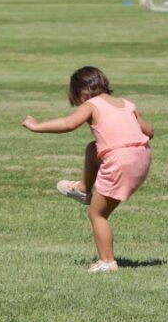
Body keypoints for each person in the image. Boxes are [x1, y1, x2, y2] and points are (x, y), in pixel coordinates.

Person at [21, 67, 153, 273]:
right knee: (93, 149)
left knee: (97, 214)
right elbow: (149, 131)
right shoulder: (127, 104)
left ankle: (107, 262)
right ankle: (83, 189)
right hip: (143, 158)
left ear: (81, 91)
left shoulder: (92, 104)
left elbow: (68, 124)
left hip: (120, 161)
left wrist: (36, 126)